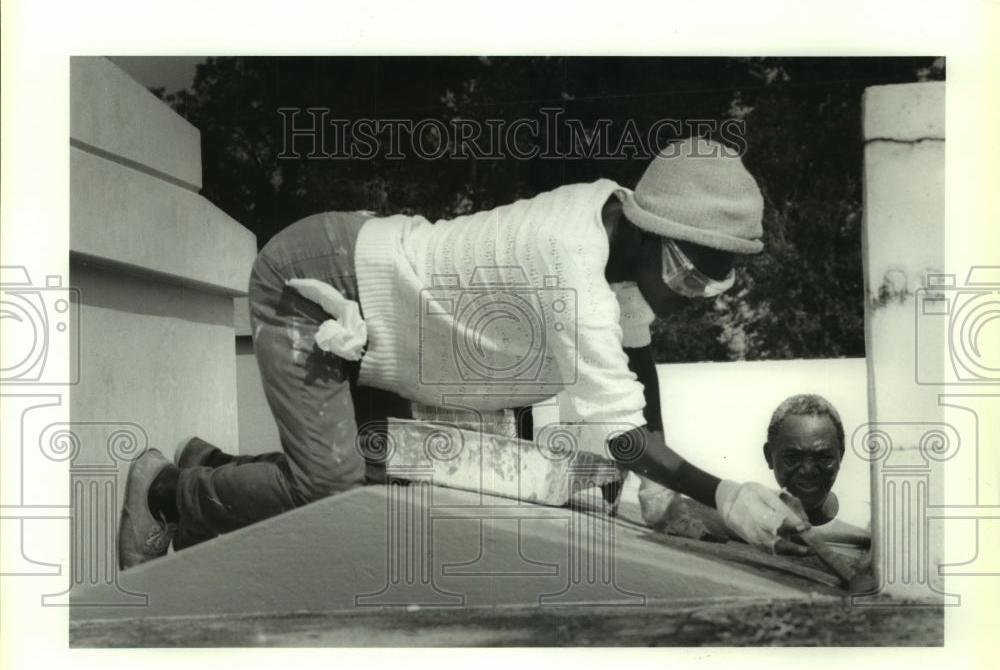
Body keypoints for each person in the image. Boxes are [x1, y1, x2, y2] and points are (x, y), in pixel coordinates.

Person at [118, 136, 815, 570]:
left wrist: (666, 498)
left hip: (377, 276)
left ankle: (208, 467)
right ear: (648, 225)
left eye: (710, 283)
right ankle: (165, 492)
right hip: (317, 282)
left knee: (384, 461)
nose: (688, 295)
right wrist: (722, 493)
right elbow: (621, 435)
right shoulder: (570, 260)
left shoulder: (622, 239)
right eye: (688, 274)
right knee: (333, 487)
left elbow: (636, 370)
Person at [763, 394, 870, 547]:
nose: (808, 470)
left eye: (823, 457)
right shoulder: (752, 521)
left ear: (841, 456)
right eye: (793, 457)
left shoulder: (872, 522)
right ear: (769, 456)